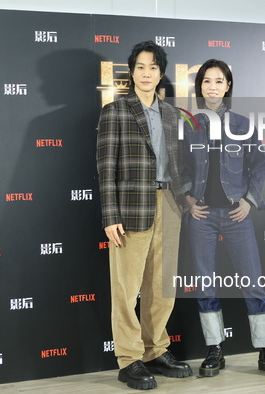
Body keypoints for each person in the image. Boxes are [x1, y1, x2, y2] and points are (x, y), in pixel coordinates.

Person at [182, 59, 265, 378]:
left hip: (236, 215)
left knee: (253, 282)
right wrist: (189, 197)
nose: (212, 87)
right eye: (206, 81)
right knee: (206, 284)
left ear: (228, 86)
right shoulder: (188, 125)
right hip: (201, 215)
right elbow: (182, 169)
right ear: (199, 86)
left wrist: (248, 200)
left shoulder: (244, 125)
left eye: (219, 81)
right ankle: (215, 349)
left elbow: (261, 166)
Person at [96, 41, 192, 390]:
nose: (146, 73)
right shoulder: (116, 110)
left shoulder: (171, 114)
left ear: (161, 73)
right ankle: (129, 358)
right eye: (140, 67)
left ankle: (156, 350)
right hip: (131, 205)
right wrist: (110, 215)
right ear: (131, 72)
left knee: (161, 287)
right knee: (126, 287)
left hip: (169, 203)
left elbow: (178, 164)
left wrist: (183, 201)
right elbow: (106, 168)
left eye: (153, 67)